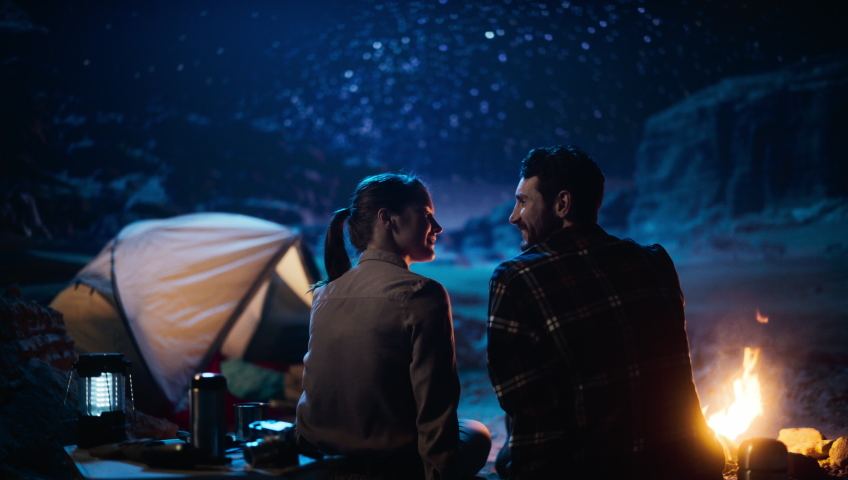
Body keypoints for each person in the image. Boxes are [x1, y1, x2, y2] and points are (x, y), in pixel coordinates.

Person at [487, 146, 726, 479]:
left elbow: (528, 413)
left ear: (562, 205)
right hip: (684, 464)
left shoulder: (516, 279)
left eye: (524, 201)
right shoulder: (655, 261)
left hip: (592, 468)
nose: (514, 216)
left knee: (504, 458)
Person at [296, 172, 491, 480]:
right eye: (426, 215)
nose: (438, 228)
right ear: (387, 218)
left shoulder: (323, 293)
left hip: (323, 458)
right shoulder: (422, 293)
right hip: (391, 464)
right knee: (476, 432)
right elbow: (435, 403)